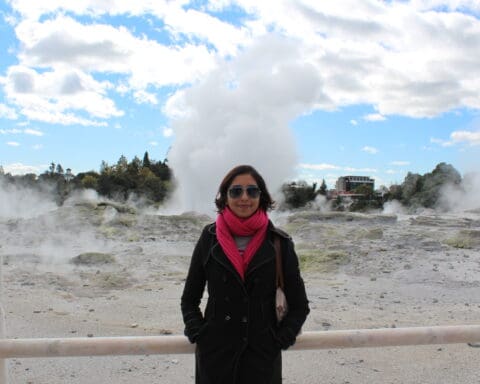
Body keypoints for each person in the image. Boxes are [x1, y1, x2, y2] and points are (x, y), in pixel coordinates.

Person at [181, 164, 310, 384]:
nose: (244, 197)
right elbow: (189, 298)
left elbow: (300, 305)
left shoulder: (279, 242)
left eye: (252, 191)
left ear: (262, 196)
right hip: (216, 356)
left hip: (261, 358)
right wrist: (200, 334)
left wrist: (280, 339)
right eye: (236, 191)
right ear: (225, 197)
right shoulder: (209, 237)